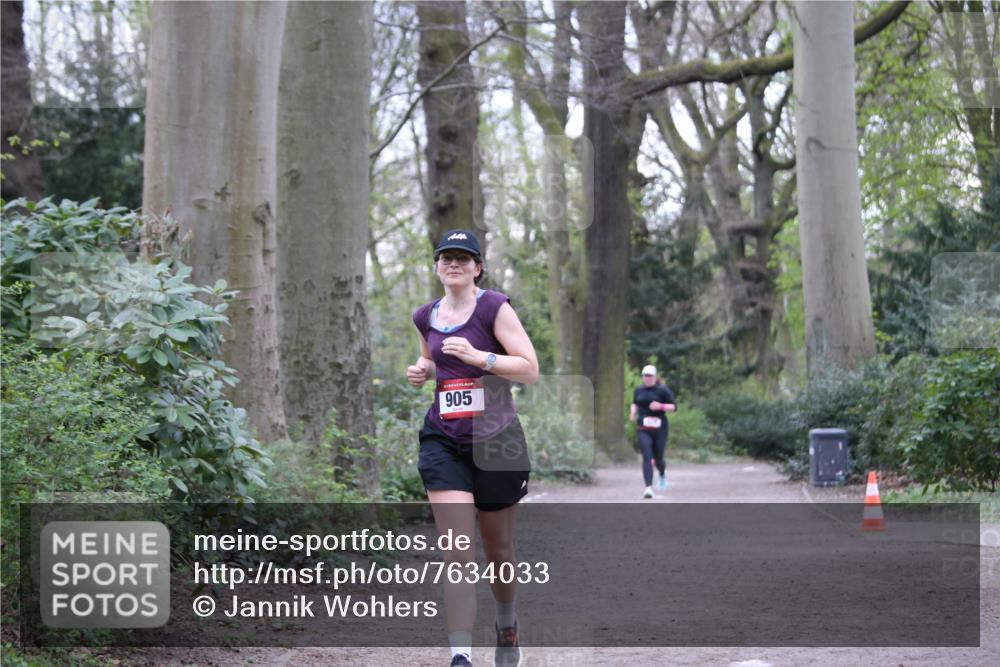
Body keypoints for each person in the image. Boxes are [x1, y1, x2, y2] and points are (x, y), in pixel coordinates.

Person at [407, 229, 539, 667]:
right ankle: (460, 655)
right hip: (444, 441)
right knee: (457, 551)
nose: (454, 264)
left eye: (463, 258)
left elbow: (529, 369)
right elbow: (434, 359)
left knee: (498, 550)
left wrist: (480, 357)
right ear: (436, 266)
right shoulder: (425, 315)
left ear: (478, 267)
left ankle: (507, 625)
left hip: (497, 442)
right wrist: (422, 369)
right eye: (446, 257)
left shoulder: (494, 308)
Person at [629, 364, 677, 499]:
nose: (647, 378)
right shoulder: (639, 390)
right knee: (647, 456)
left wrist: (660, 406)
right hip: (643, 429)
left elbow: (674, 407)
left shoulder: (663, 390)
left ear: (655, 377)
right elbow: (635, 403)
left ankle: (662, 474)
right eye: (645, 376)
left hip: (660, 429)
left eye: (650, 376)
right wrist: (633, 412)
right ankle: (648, 488)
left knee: (659, 458)